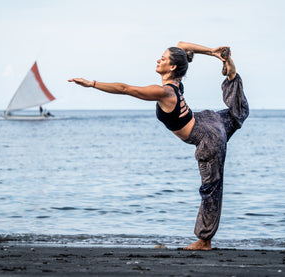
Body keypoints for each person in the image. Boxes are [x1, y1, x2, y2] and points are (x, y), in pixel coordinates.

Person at [68, 41, 249, 250]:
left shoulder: (166, 92)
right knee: (237, 114)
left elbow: (126, 89)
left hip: (207, 136)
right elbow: (181, 45)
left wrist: (91, 83)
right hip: (208, 120)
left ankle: (204, 241)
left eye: (162, 59)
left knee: (211, 188)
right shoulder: (176, 83)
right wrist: (212, 53)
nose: (158, 60)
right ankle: (231, 75)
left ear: (172, 67)